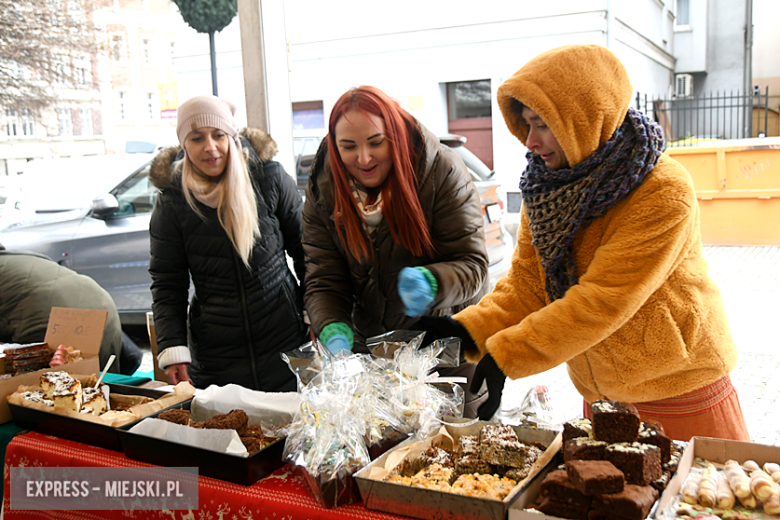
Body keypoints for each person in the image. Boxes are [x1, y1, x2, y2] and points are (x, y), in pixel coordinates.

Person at [414, 44, 750, 440]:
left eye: (542, 124)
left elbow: (604, 298)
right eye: (526, 124)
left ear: (586, 116)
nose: (530, 141)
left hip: (678, 392)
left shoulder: (661, 188)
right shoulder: (547, 190)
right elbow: (527, 287)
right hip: (601, 395)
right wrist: (468, 330)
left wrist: (507, 355)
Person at [302, 85, 491, 418]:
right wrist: (331, 325)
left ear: (395, 135)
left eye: (376, 143)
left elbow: (473, 266)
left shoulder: (439, 171)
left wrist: (433, 282)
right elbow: (325, 278)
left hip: (444, 356)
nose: (364, 159)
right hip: (371, 359)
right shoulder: (324, 188)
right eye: (349, 147)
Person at [149, 95, 307, 392]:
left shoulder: (268, 178)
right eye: (197, 138)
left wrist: (314, 315)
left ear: (231, 136)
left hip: (285, 338)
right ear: (184, 144)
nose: (210, 147)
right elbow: (168, 282)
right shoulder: (172, 201)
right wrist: (172, 347)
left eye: (218, 135)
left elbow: (306, 252)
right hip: (217, 354)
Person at [0, 244, 139, 374]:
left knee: (51, 388)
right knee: (99, 384)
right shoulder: (20, 255)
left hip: (53, 321)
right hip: (101, 306)